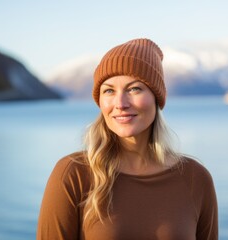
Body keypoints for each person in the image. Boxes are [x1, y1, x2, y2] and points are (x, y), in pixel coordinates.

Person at [36, 38, 218, 240]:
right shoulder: (73, 174)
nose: (120, 103)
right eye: (109, 91)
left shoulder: (196, 178)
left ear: (156, 98)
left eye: (134, 89)